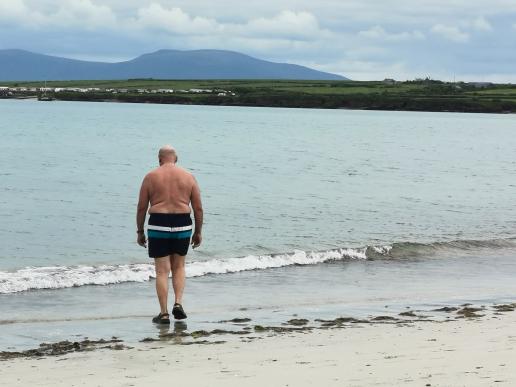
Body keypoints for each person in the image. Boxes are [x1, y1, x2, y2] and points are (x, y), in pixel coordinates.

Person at [136, 145, 203, 324]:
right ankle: (178, 303)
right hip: (182, 223)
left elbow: (142, 207)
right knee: (179, 267)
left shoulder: (151, 177)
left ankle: (164, 313)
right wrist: (198, 232)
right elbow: (198, 208)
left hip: (159, 223)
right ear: (176, 158)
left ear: (159, 159)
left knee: (162, 271)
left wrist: (140, 231)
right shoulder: (188, 177)